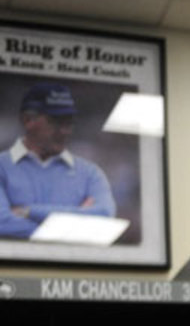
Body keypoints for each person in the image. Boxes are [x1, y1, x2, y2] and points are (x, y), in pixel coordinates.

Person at [0, 82, 117, 239]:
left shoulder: (90, 173)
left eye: (69, 122)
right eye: (55, 122)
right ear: (27, 120)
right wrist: (77, 223)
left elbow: (104, 216)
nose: (65, 130)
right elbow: (2, 223)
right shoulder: (2, 167)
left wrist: (28, 211)